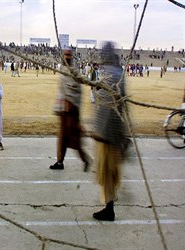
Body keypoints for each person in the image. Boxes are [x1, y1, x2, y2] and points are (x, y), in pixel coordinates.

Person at [92, 41, 129, 221]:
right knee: (112, 172)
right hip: (116, 132)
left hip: (107, 133)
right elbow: (124, 105)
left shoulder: (109, 74)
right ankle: (111, 202)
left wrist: (99, 129)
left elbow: (104, 103)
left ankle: (109, 208)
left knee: (105, 171)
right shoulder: (120, 73)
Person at [50, 49, 91, 172]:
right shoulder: (63, 70)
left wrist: (70, 103)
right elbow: (62, 89)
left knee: (73, 137)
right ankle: (59, 162)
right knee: (62, 137)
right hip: (63, 110)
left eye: (69, 55)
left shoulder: (74, 71)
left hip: (72, 110)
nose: (67, 57)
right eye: (65, 55)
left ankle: (86, 159)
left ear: (71, 57)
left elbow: (76, 90)